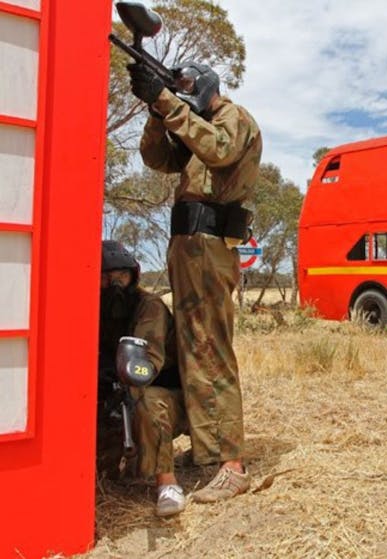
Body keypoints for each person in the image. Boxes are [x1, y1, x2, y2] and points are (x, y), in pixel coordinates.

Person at [127, 59, 262, 502]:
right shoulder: (191, 124)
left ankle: (231, 464)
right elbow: (157, 158)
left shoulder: (233, 118)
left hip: (208, 245)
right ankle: (208, 450)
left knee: (210, 349)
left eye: (184, 85)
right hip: (186, 246)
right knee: (191, 348)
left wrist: (166, 100)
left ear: (205, 85)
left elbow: (219, 149)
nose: (180, 93)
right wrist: (153, 110)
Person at [98, 240, 188, 517]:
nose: (115, 285)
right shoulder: (89, 308)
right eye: (106, 278)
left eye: (121, 277)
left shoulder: (149, 306)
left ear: (133, 276)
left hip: (164, 396)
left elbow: (145, 365)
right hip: (113, 393)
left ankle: (167, 483)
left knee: (143, 399)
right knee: (105, 476)